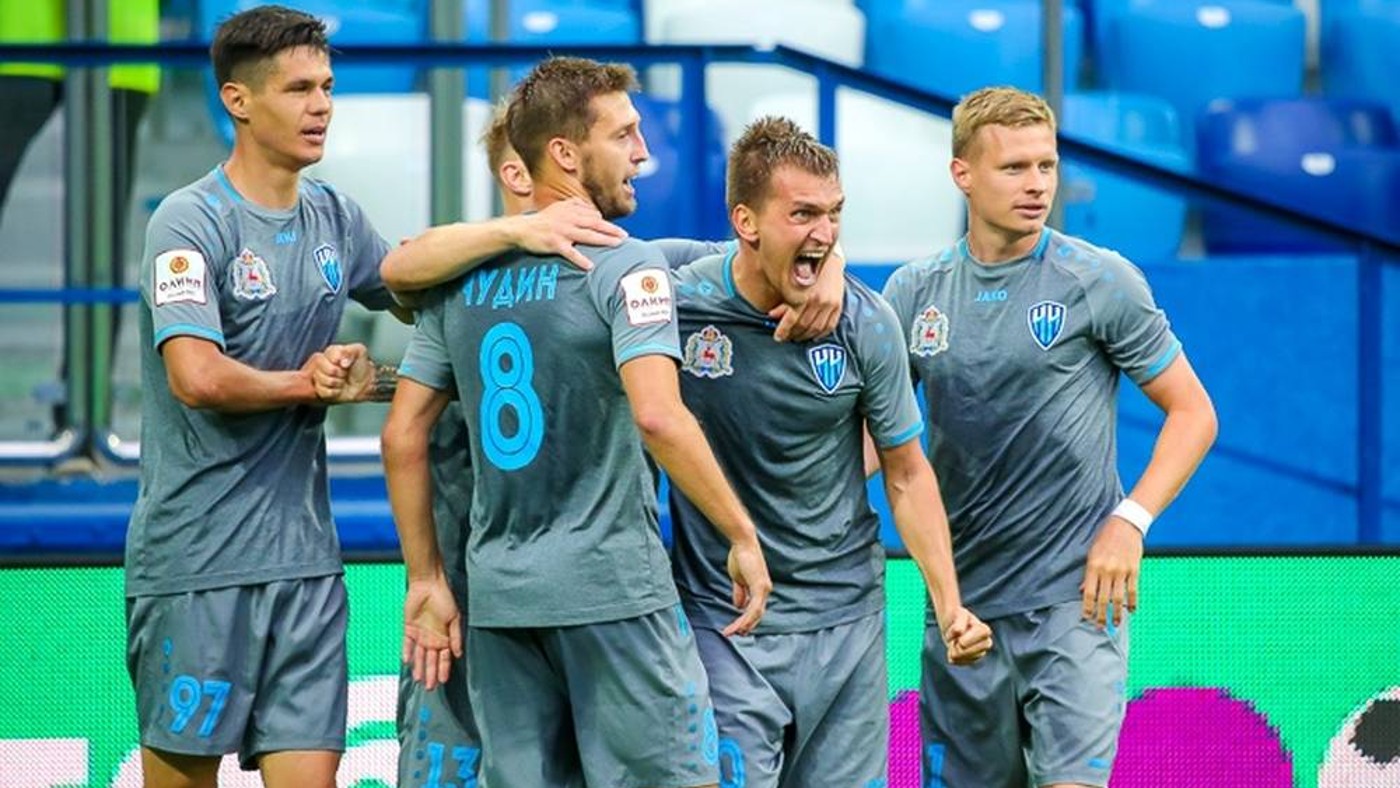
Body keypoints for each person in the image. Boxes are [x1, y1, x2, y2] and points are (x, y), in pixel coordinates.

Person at [381, 56, 772, 788]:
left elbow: (401, 433)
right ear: (564, 153)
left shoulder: (456, 282)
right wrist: (741, 534)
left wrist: (426, 576)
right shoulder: (630, 268)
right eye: (623, 135)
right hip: (613, 590)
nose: (643, 153)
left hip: (499, 599)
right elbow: (658, 415)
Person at [879, 86, 1218, 787]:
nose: (1036, 185)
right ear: (962, 174)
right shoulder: (913, 293)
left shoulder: (1100, 280)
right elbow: (877, 443)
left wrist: (1130, 521)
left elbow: (1194, 413)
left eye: (1046, 165)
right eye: (1014, 168)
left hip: (1076, 602)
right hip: (962, 611)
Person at [665, 116, 992, 787]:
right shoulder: (676, 302)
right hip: (724, 623)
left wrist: (949, 603)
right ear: (746, 222)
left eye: (834, 214)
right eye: (803, 214)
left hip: (848, 626)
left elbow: (907, 473)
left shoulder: (866, 323)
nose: (824, 233)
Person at [123, 7, 403, 786]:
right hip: (196, 565)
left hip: (308, 569)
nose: (322, 106)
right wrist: (310, 383)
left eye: (327, 87)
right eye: (298, 89)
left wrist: (514, 238)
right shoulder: (187, 221)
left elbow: (421, 293)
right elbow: (197, 377)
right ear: (238, 101)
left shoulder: (336, 218)